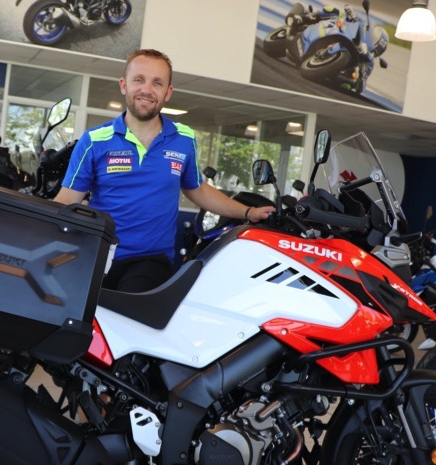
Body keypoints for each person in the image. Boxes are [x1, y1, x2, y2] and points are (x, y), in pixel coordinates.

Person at [54, 49, 274, 293]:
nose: (147, 89)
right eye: (139, 80)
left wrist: (248, 212)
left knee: (132, 319)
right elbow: (67, 200)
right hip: (96, 253)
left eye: (157, 82)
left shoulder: (183, 138)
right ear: (124, 85)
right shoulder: (95, 140)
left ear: (168, 92)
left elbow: (197, 189)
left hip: (149, 260)